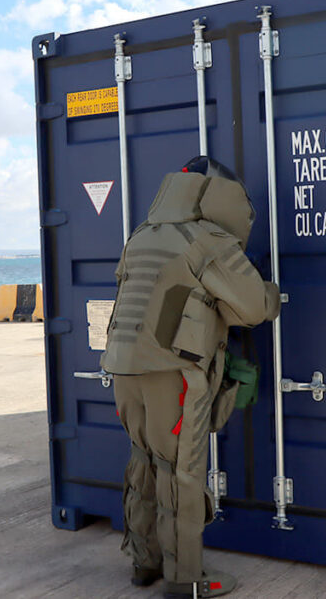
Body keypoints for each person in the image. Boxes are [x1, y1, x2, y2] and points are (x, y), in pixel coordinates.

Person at [100, 156, 281, 598]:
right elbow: (256, 308)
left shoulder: (142, 234)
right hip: (173, 373)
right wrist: (271, 293)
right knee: (181, 471)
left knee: (143, 460)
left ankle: (144, 563)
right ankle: (186, 580)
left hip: (124, 367)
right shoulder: (209, 239)